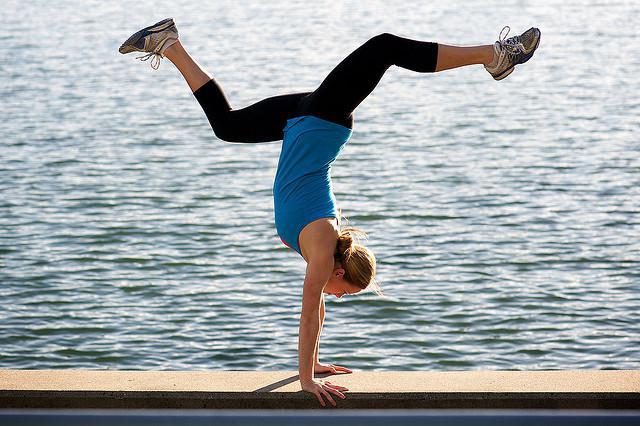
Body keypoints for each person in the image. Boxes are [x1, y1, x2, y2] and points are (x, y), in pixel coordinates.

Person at [119, 18, 541, 407]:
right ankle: (497, 55)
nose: (337, 298)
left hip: (300, 121)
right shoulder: (321, 244)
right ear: (338, 272)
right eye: (345, 292)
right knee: (385, 46)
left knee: (228, 126)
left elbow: (315, 311)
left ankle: (168, 43)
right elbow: (308, 314)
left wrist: (316, 363)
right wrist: (306, 380)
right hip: (323, 118)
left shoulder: (322, 253)